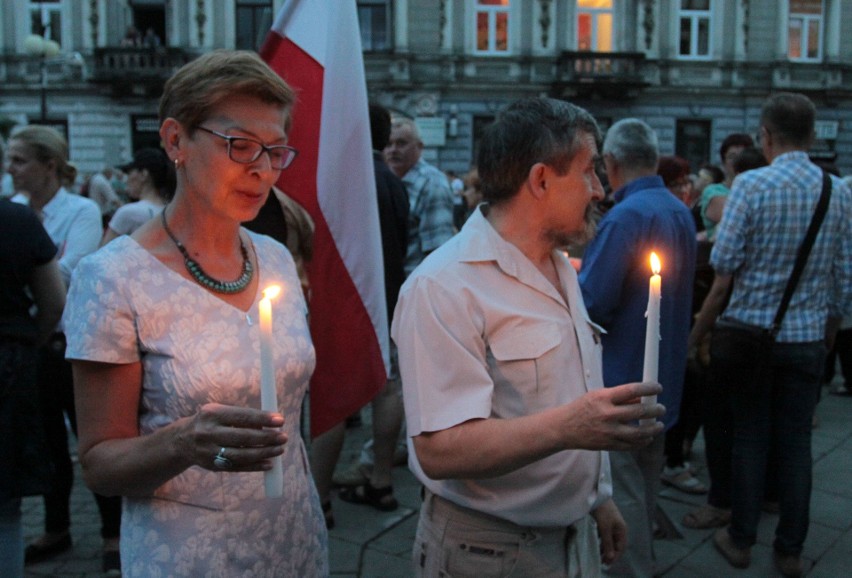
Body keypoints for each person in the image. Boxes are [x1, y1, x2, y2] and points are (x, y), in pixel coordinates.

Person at [61, 50, 328, 576]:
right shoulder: (114, 278)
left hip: (294, 537)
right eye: (240, 145)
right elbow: (99, 464)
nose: (261, 169)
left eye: (275, 152)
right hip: (190, 552)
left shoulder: (272, 256)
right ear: (175, 140)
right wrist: (182, 441)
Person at [392, 97, 666, 578]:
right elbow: (440, 450)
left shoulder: (557, 265)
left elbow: (559, 388)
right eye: (588, 171)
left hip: (571, 537)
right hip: (487, 552)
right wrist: (571, 425)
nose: (600, 190)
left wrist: (597, 497)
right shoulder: (443, 286)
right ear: (540, 180)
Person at [689, 92, 852, 576]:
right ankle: (790, 551)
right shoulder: (837, 190)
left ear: (765, 136)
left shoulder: (752, 186)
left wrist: (701, 328)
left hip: (749, 336)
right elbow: (844, 274)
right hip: (805, 339)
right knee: (796, 443)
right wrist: (828, 330)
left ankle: (740, 539)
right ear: (813, 133)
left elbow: (723, 265)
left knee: (751, 436)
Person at [579, 119, 696, 577]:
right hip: (662, 378)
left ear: (610, 163)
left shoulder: (626, 216)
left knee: (620, 500)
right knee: (645, 490)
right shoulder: (677, 208)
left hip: (621, 381)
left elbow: (593, 303)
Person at [5, 126, 119, 572]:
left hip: (72, 340)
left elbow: (74, 271)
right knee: (48, 440)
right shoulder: (14, 210)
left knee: (90, 436)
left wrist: (27, 275)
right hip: (31, 342)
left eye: (19, 161)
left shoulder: (81, 209)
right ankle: (57, 527)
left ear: (48, 165)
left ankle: (112, 533)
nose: (11, 169)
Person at [313, 103, 410, 524]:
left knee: (333, 398)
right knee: (388, 391)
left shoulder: (344, 181)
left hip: (347, 302)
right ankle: (381, 480)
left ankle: (318, 498)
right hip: (388, 298)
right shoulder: (393, 180)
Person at [0, 199, 66, 578]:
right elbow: (53, 300)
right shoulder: (16, 219)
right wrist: (31, 343)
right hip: (8, 367)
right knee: (5, 508)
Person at [383, 117, 455, 275]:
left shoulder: (432, 183)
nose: (393, 150)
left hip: (414, 283)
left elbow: (438, 250)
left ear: (420, 147)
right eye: (388, 144)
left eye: (401, 143)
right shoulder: (386, 180)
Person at [100, 148, 175, 246]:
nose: (126, 180)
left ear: (144, 174)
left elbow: (102, 256)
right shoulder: (173, 211)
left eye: (129, 173)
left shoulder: (128, 213)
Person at [699, 133, 754, 241]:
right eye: (732, 157)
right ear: (723, 162)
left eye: (743, 157)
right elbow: (735, 219)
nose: (738, 162)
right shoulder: (713, 191)